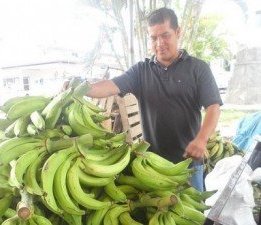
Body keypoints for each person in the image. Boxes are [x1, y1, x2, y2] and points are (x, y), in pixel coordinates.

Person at [85, 7, 223, 191]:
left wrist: (201, 139)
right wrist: (81, 88)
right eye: (153, 38)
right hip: (153, 164)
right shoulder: (141, 71)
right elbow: (110, 86)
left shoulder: (198, 69)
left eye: (165, 35)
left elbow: (213, 107)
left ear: (177, 32)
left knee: (193, 218)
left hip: (188, 164)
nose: (159, 43)